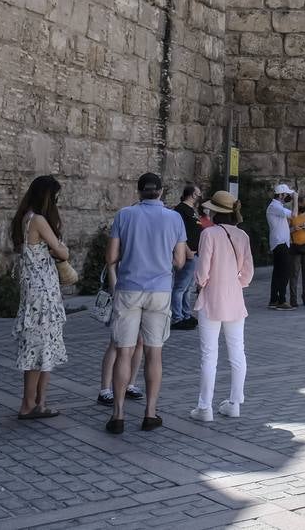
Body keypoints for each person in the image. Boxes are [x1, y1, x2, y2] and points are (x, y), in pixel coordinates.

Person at [105, 173, 187, 434]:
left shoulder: (124, 215)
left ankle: (117, 414)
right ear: (161, 192)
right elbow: (181, 260)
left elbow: (111, 256)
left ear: (139, 191)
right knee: (154, 353)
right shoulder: (175, 218)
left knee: (124, 352)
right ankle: (150, 413)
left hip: (129, 288)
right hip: (160, 290)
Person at [190, 191, 254, 422]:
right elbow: (248, 274)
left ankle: (204, 407)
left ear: (215, 211)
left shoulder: (209, 234)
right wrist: (235, 284)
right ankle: (235, 402)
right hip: (235, 298)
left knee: (209, 355)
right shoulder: (243, 236)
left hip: (211, 298)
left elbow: (202, 272)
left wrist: (203, 282)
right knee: (237, 352)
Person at [10, 175, 69, 420]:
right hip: (42, 294)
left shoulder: (24, 219)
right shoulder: (38, 220)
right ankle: (29, 403)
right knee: (38, 350)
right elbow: (62, 251)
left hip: (35, 291)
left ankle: (38, 403)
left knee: (43, 349)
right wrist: (61, 247)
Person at [171, 183, 203, 329]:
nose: (200, 195)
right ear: (192, 194)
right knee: (180, 286)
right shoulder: (180, 210)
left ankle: (186, 313)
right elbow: (178, 231)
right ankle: (177, 317)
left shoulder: (192, 210)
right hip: (188, 253)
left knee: (188, 287)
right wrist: (187, 250)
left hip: (195, 253)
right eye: (198, 193)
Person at [266, 183, 295, 310]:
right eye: (287, 195)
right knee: (284, 272)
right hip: (280, 243)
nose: (289, 196)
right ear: (281, 195)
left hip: (281, 242)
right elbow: (294, 215)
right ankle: (281, 300)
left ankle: (274, 300)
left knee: (278, 272)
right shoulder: (274, 206)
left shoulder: (277, 206)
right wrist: (296, 199)